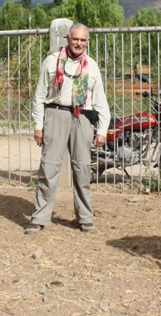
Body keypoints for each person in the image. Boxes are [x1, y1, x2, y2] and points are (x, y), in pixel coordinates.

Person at [26, 24, 111, 234]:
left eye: (83, 40)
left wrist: (102, 130)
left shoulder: (91, 66)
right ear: (68, 38)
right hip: (55, 114)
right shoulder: (52, 61)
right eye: (76, 39)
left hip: (82, 117)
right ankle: (40, 217)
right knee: (49, 168)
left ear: (87, 42)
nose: (79, 44)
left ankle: (85, 218)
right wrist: (39, 126)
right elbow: (39, 95)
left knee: (82, 170)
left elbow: (100, 99)